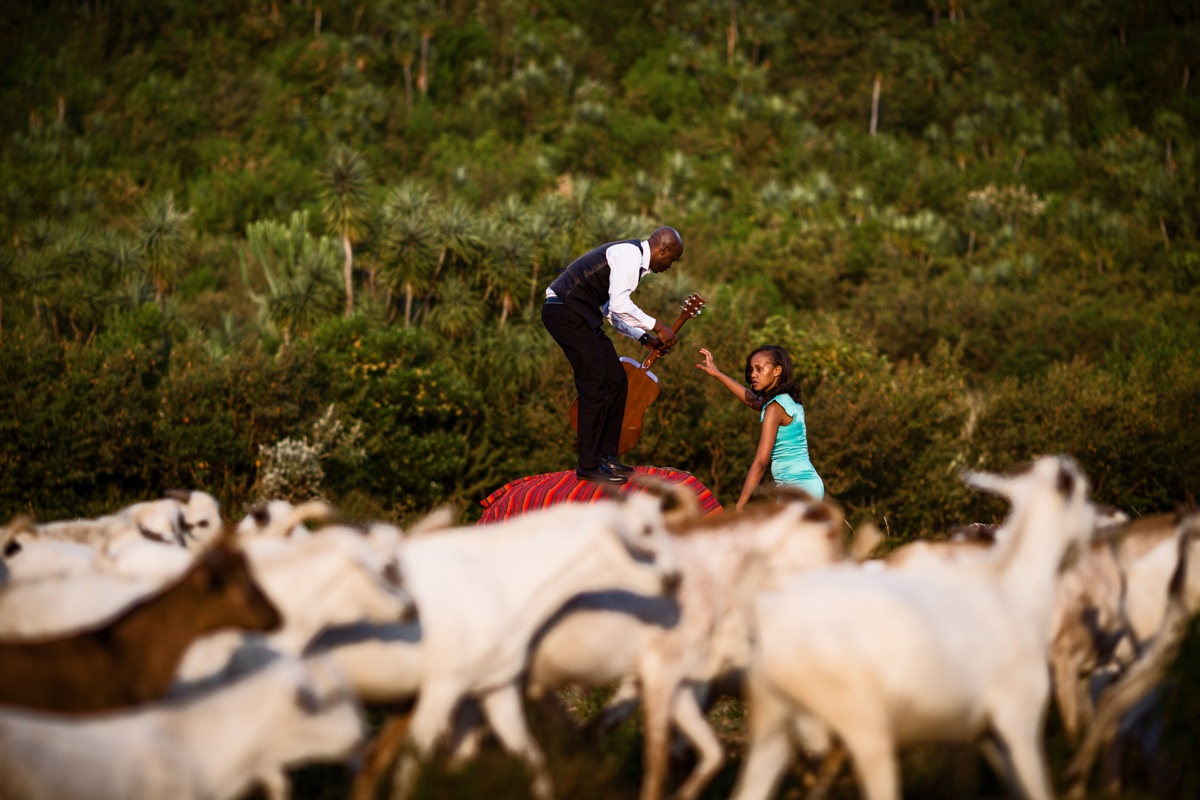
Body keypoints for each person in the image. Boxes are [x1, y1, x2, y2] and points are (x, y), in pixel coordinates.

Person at [542, 227, 684, 484]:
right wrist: (658, 326)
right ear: (663, 250)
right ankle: (588, 466)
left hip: (581, 314)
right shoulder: (630, 255)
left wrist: (643, 338)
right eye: (671, 260)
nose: (669, 267)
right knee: (595, 386)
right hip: (565, 312)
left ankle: (604, 456)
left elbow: (610, 310)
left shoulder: (632, 258)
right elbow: (619, 305)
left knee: (617, 379)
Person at [695, 344, 824, 508]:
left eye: (759, 369)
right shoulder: (785, 400)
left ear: (777, 371)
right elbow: (754, 402)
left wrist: (740, 505)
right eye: (752, 370)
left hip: (798, 488)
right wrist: (717, 374)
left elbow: (760, 463)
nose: (753, 375)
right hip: (804, 485)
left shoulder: (774, 408)